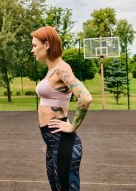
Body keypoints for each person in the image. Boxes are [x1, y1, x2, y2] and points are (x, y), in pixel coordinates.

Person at [31, 26, 92, 191]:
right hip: (52, 142)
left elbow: (85, 98)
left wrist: (72, 126)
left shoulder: (62, 69)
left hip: (63, 142)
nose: (32, 50)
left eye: (35, 45)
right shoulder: (51, 70)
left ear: (48, 45)